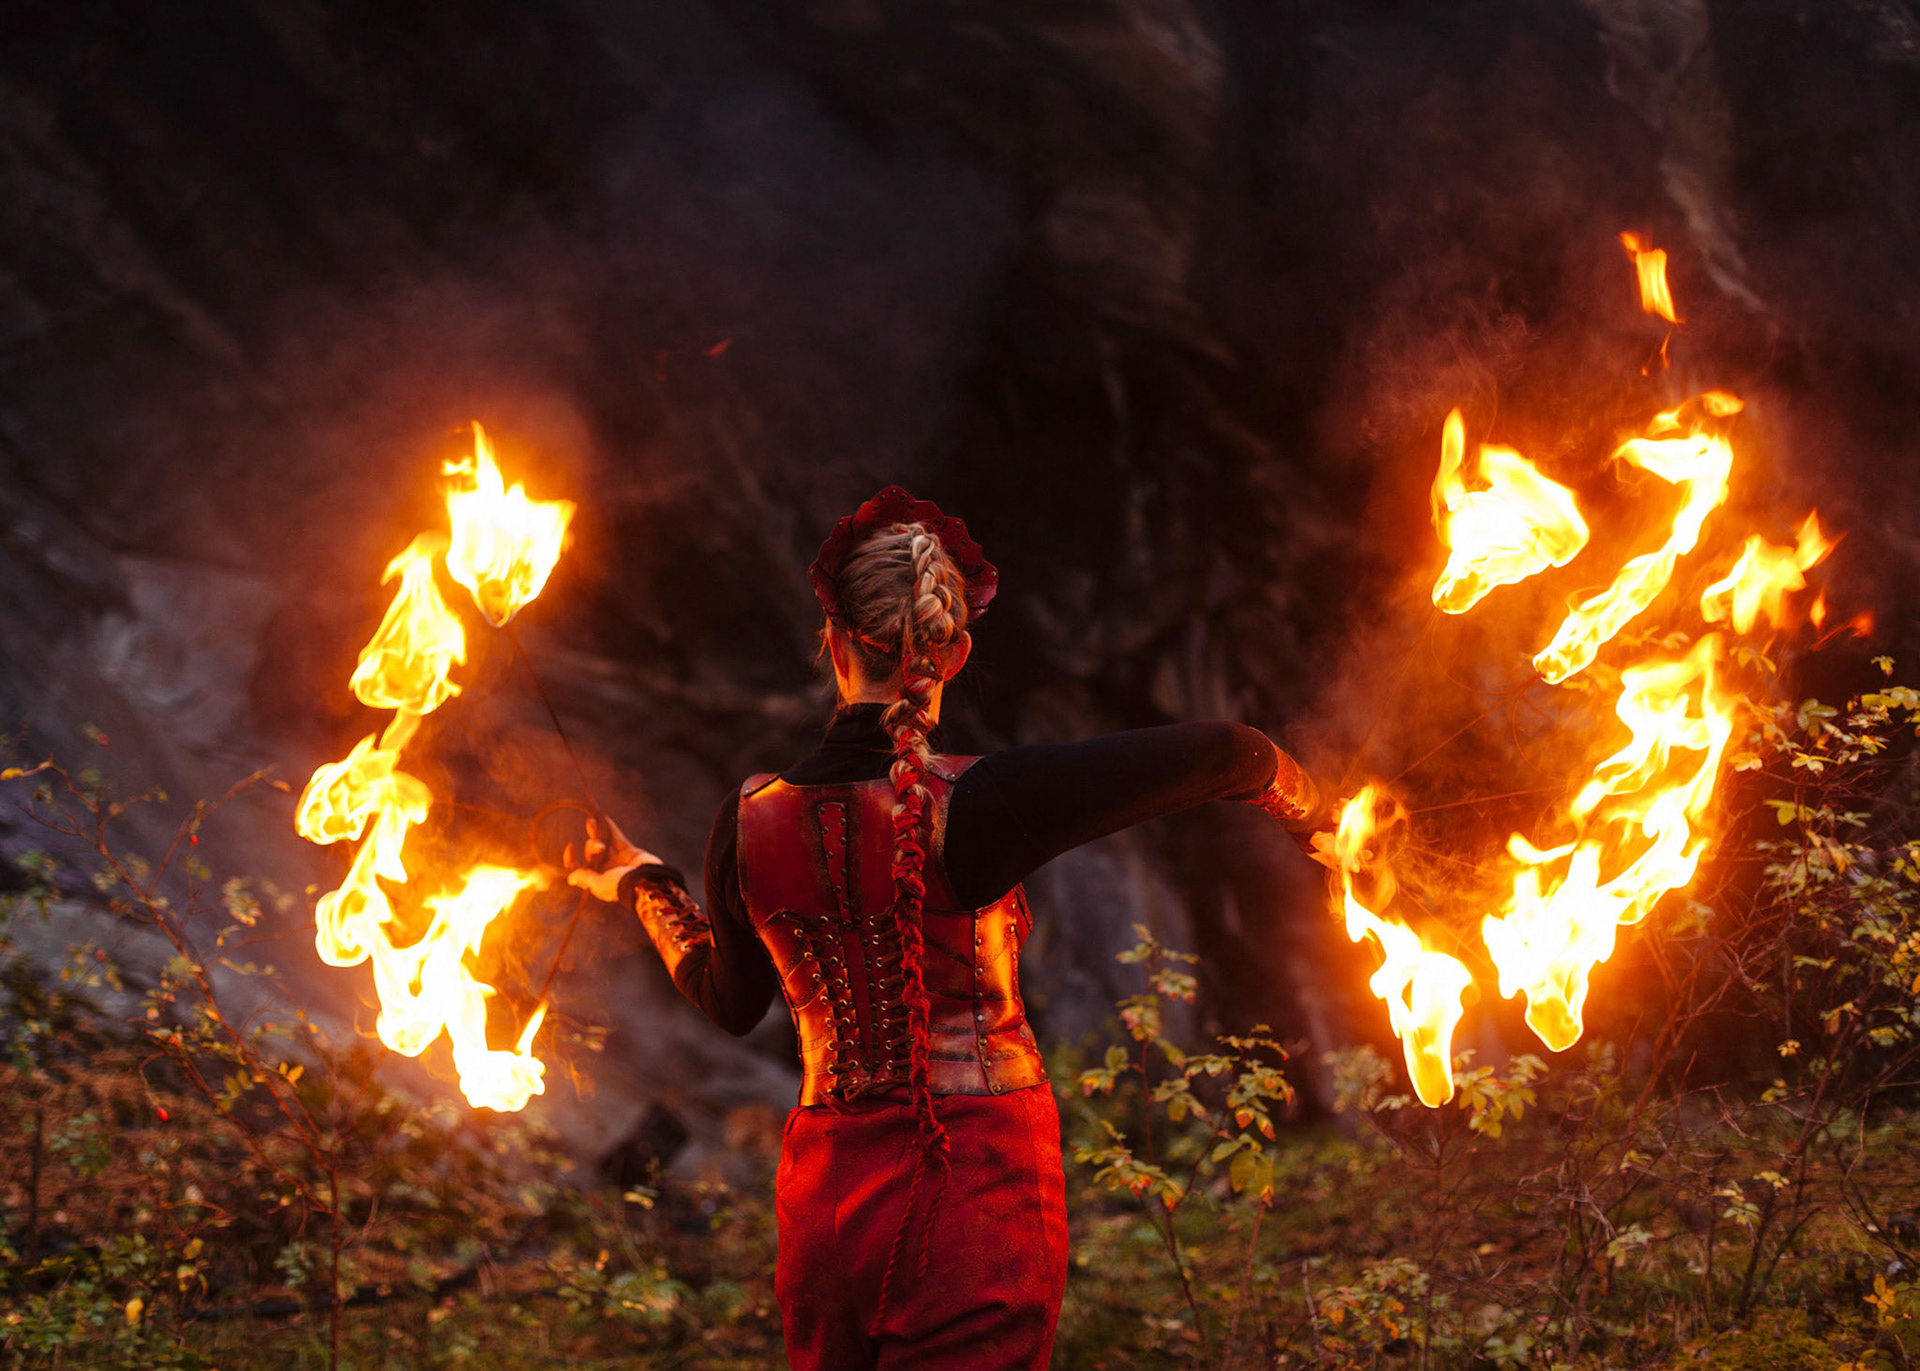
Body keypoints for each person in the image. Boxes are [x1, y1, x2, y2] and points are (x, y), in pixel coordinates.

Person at [567, 486, 1325, 1371]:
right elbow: (1238, 755)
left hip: (825, 1208)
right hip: (972, 1196)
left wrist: (641, 882)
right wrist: (1327, 820)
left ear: (836, 640)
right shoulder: (980, 804)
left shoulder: (748, 819)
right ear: (955, 650)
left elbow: (730, 1002)